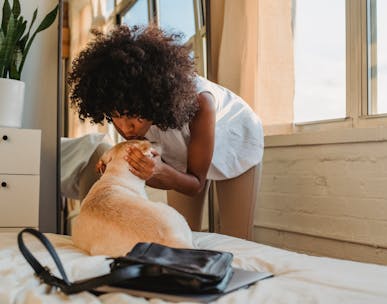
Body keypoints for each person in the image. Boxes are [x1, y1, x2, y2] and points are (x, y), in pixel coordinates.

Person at [67, 25, 264, 240]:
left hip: (235, 140)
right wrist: (128, 167)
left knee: (237, 238)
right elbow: (157, 177)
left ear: (154, 102)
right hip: (184, 149)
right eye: (116, 116)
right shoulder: (127, 113)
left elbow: (195, 184)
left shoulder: (200, 103)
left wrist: (159, 170)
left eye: (135, 116)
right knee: (180, 234)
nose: (125, 127)